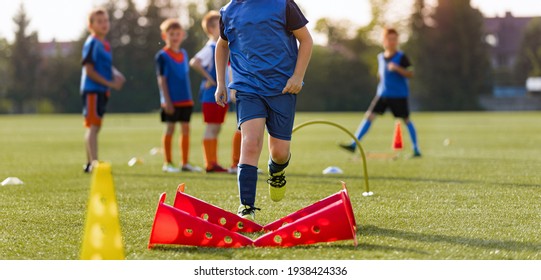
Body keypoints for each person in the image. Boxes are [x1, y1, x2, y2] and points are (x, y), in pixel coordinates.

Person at [215, 0, 313, 220]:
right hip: (247, 87)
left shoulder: (283, 4)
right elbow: (222, 45)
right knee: (250, 142)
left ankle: (276, 172)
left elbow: (306, 40)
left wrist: (297, 76)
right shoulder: (228, 11)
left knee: (279, 153)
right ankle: (246, 207)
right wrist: (221, 82)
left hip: (282, 87)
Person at [340, 28, 421, 157]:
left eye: (395, 39)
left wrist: (398, 68)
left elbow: (411, 73)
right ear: (384, 40)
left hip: (399, 95)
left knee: (406, 120)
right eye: (390, 39)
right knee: (369, 116)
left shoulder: (401, 57)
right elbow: (381, 74)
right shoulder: (380, 57)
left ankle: (416, 149)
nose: (392, 42)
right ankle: (354, 144)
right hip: (382, 94)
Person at [190, 11, 240, 173]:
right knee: (212, 127)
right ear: (211, 29)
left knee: (216, 127)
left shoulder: (223, 47)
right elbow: (195, 62)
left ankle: (214, 163)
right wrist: (211, 80)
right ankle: (210, 163)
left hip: (220, 95)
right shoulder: (211, 47)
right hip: (211, 95)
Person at [81, 8, 125, 173]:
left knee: (96, 126)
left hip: (101, 90)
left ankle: (89, 163)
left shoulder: (105, 44)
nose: (104, 24)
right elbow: (89, 70)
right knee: (93, 126)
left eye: (106, 20)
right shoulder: (92, 43)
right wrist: (110, 83)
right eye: (99, 21)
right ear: (91, 25)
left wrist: (116, 74)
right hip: (92, 90)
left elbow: (106, 65)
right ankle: (93, 163)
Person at [155, 18, 202, 173]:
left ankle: (185, 163)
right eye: (171, 34)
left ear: (182, 35)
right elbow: (162, 80)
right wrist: (166, 101)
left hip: (185, 99)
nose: (175, 37)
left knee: (186, 129)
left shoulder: (184, 53)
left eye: (178, 34)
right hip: (170, 101)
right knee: (170, 128)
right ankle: (167, 163)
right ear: (164, 36)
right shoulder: (162, 56)